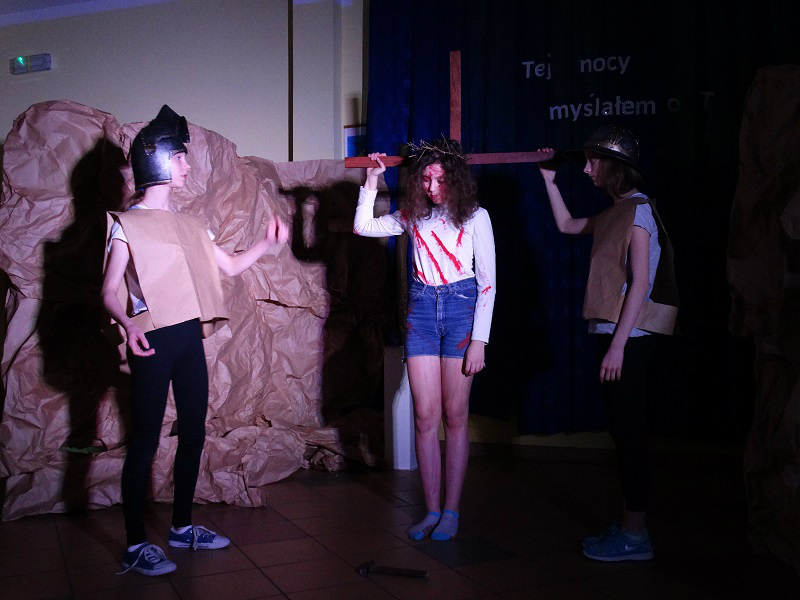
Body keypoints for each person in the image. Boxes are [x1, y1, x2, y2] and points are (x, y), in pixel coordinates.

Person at [102, 105, 288, 576]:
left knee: (194, 432)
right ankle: (135, 545)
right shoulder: (127, 224)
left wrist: (266, 243)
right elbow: (107, 291)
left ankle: (182, 528)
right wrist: (128, 326)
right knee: (145, 440)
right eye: (180, 157)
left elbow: (230, 266)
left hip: (188, 338)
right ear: (158, 160)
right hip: (152, 339)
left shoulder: (190, 225)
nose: (187, 166)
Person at [537, 125, 678, 562]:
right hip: (616, 337)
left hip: (629, 340)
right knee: (621, 432)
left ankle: (636, 536)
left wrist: (618, 346)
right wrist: (549, 181)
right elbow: (567, 225)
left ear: (615, 167)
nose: (587, 169)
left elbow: (640, 282)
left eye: (593, 161)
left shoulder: (638, 212)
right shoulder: (617, 211)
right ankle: (630, 525)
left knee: (630, 434)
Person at [353, 139, 496, 541]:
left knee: (455, 415)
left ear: (456, 180)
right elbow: (363, 227)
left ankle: (451, 511)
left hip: (461, 310)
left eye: (440, 180)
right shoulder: (413, 216)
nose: (432, 187)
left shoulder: (476, 216)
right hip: (420, 313)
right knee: (425, 416)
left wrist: (480, 340)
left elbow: (487, 283)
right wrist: (371, 182)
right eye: (426, 180)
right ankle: (431, 510)